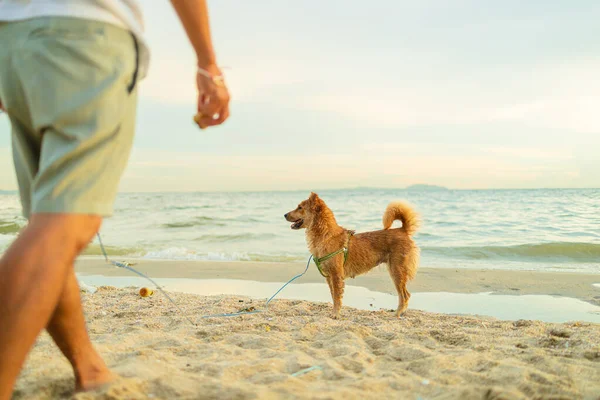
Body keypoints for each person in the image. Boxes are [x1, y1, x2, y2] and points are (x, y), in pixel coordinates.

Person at [0, 1, 230, 397]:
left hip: (12, 45)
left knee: (48, 227)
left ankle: (88, 367)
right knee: (61, 227)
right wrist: (208, 65)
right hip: (86, 37)